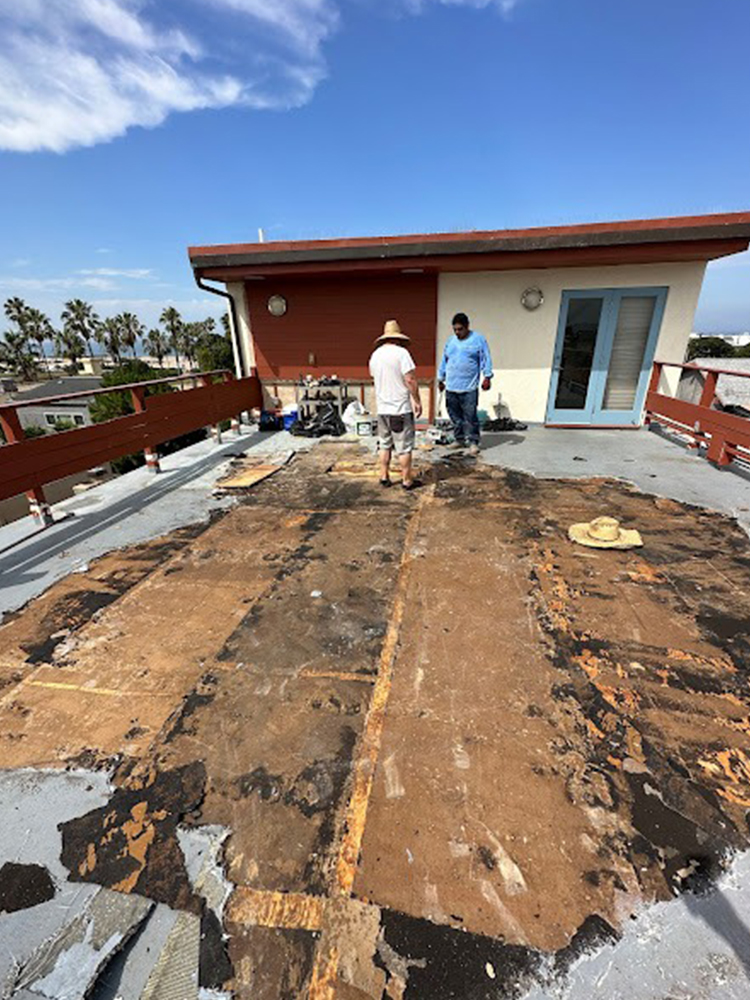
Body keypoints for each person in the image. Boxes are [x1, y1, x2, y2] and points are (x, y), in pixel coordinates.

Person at [369, 319, 423, 490]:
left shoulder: (375, 355)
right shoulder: (402, 354)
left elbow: (374, 378)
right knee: (404, 447)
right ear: (398, 338)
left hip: (382, 410)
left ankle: (384, 476)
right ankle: (407, 480)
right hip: (399, 409)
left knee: (384, 444)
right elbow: (410, 379)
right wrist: (417, 400)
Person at [437, 312, 493, 457]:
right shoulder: (450, 341)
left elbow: (485, 358)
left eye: (460, 329)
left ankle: (473, 442)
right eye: (455, 329)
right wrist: (440, 378)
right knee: (455, 416)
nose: (457, 332)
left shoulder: (478, 340)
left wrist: (487, 377)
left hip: (469, 387)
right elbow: (445, 360)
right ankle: (459, 439)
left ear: (467, 326)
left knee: (470, 416)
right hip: (451, 386)